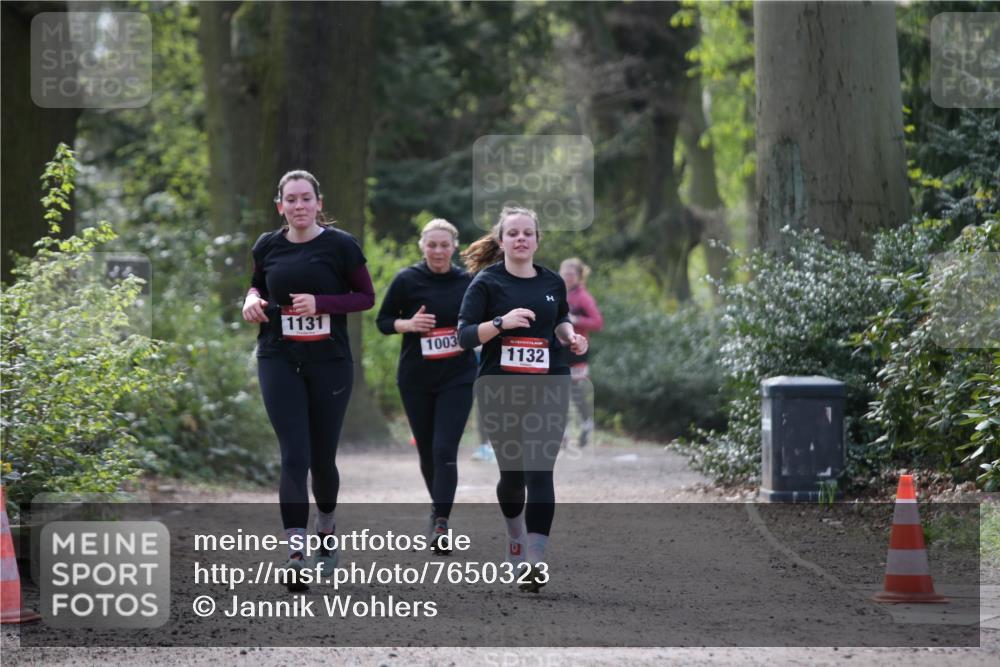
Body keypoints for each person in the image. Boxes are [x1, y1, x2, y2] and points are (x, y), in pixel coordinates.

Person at [241, 169, 375, 590]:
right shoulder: (267, 245)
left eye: (306, 199)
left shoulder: (341, 245)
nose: (299, 206)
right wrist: (250, 301)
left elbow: (366, 297)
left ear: (319, 202)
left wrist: (321, 302)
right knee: (294, 455)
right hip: (278, 356)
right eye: (291, 200)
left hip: (330, 360)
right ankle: (295, 554)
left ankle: (327, 528)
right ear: (279, 205)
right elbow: (256, 286)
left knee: (322, 459)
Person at [457, 206, 588, 593]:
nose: (520, 239)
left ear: (537, 239)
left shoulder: (551, 282)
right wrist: (500, 323)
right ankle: (516, 537)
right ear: (501, 241)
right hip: (501, 386)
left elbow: (561, 318)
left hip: (549, 383)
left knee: (540, 472)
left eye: (527, 233)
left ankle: (535, 560)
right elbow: (464, 336)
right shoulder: (485, 283)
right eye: (512, 233)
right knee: (512, 479)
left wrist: (570, 336)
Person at [375, 219, 477, 555]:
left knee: (444, 449)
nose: (437, 251)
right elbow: (383, 322)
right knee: (427, 452)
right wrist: (409, 324)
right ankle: (438, 509)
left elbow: (482, 323)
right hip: (416, 378)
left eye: (443, 245)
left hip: (458, 376)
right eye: (431, 245)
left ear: (454, 247)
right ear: (422, 246)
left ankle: (441, 521)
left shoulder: (469, 281)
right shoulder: (407, 279)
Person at [559, 258, 603, 449]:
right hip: (558, 349)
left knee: (575, 392)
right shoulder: (556, 293)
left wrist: (576, 319)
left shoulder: (583, 297)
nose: (567, 277)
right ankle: (563, 434)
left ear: (578, 276)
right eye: (564, 273)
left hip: (577, 350)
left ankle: (586, 424)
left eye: (571, 274)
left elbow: (597, 323)